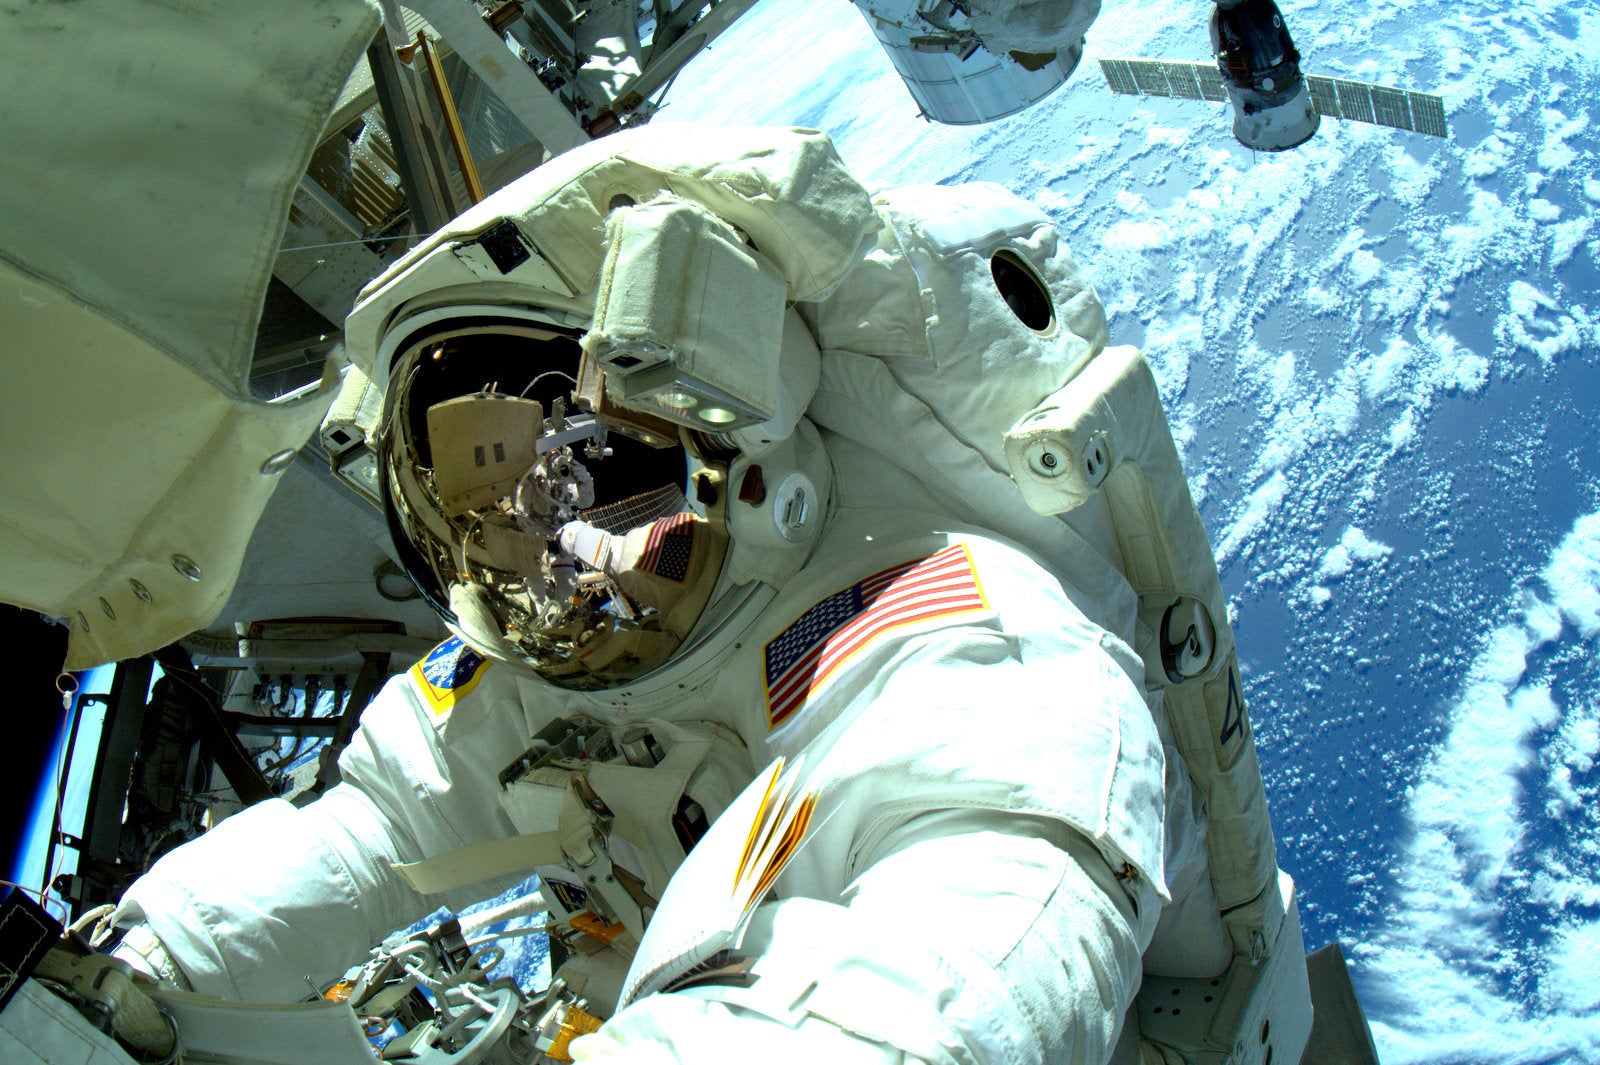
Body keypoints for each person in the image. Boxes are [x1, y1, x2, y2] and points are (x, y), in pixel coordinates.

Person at [110, 125, 1190, 1064]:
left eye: (573, 492)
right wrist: (141, 982)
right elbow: (371, 834)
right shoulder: (526, 671)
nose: (527, 567)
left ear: (736, 443)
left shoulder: (953, 637)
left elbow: (970, 955)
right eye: (473, 522)